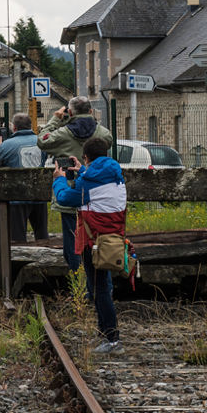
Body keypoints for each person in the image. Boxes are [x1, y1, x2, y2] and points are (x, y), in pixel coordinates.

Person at [52, 136, 124, 354]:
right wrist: (83, 169)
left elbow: (65, 198)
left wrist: (59, 179)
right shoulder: (115, 174)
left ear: (86, 156)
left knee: (99, 290)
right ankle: (106, 335)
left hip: (94, 242)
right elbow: (96, 188)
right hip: (111, 239)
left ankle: (112, 339)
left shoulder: (88, 184)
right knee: (100, 288)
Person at [37, 96, 113, 273]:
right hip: (95, 194)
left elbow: (42, 140)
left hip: (70, 192)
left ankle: (78, 279)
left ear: (69, 112)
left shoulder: (63, 133)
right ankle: (94, 279)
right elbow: (107, 137)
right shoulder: (101, 134)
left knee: (72, 241)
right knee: (94, 238)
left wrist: (57, 119)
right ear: (91, 111)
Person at [0, 112, 49, 243]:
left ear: (14, 128)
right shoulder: (40, 142)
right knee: (42, 235)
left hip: (17, 196)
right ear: (30, 126)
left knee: (17, 239)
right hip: (39, 195)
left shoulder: (7, 144)